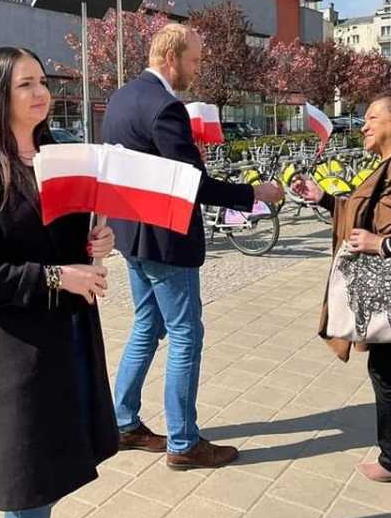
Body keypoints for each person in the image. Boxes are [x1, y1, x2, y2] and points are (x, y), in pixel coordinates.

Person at [0, 46, 119, 518]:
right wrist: (57, 277)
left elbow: (69, 240)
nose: (41, 92)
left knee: (55, 472)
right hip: (16, 350)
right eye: (26, 84)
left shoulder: (59, 156)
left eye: (42, 81)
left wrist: (99, 242)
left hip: (69, 336)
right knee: (29, 486)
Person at [102, 24, 285, 470]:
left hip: (132, 237)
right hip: (166, 240)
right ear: (172, 59)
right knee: (186, 334)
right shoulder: (166, 107)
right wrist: (255, 193)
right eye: (195, 61)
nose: (198, 70)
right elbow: (194, 184)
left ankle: (123, 422)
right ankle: (183, 443)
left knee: (147, 326)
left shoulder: (121, 99)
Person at [293, 87, 391, 490]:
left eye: (372, 118)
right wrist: (325, 198)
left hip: (389, 289)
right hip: (388, 290)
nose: (363, 125)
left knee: (386, 369)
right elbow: (369, 210)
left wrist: (383, 245)